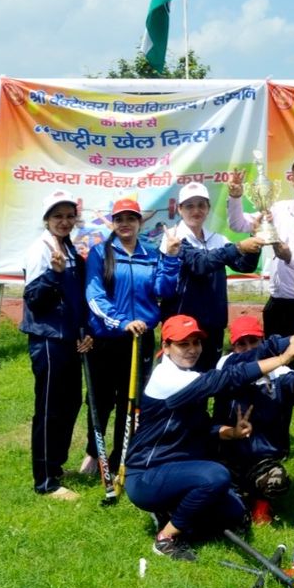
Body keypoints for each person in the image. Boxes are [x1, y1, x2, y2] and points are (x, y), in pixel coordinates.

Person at [123, 314, 294, 561]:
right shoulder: (168, 378)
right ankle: (166, 538)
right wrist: (284, 355)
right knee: (216, 475)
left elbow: (202, 426)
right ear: (165, 347)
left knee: (235, 515)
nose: (192, 350)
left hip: (178, 469)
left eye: (196, 342)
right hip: (147, 476)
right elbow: (227, 377)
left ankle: (171, 512)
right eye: (183, 344)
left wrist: (230, 432)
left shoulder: (187, 373)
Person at [227, 156, 294, 449]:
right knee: (275, 373)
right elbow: (238, 224)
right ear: (292, 179)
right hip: (278, 304)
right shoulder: (275, 209)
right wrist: (235, 197)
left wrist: (290, 257)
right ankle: (277, 440)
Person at [80, 198, 182, 475]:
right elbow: (94, 296)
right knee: (100, 400)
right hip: (107, 338)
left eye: (131, 219)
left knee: (132, 400)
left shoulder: (151, 254)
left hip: (140, 340)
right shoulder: (100, 253)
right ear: (113, 223)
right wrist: (122, 322)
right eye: (120, 219)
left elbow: (164, 290)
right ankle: (94, 452)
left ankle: (120, 457)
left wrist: (171, 258)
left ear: (140, 223)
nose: (125, 224)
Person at [20, 190, 94, 501]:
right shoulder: (40, 250)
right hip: (48, 340)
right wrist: (55, 274)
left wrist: (85, 330)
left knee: (70, 403)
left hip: (70, 339)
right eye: (57, 216)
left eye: (68, 216)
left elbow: (75, 297)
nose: (64, 221)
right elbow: (35, 301)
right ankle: (45, 481)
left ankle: (57, 466)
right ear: (47, 220)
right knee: (50, 409)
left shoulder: (68, 248)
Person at [212, 317, 294, 524]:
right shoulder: (226, 365)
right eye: (241, 344)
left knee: (276, 480)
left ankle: (261, 504)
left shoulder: (281, 373)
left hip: (263, 458)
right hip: (225, 458)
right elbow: (247, 362)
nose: (248, 347)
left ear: (262, 341)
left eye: (254, 341)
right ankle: (239, 498)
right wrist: (287, 343)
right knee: (221, 505)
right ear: (232, 347)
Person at [160, 182, 264, 372]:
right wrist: (239, 247)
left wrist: (254, 239)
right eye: (190, 206)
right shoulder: (174, 237)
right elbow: (200, 264)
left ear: (208, 208)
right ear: (180, 209)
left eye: (201, 205)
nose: (196, 210)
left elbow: (245, 265)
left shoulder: (217, 238)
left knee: (209, 379)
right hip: (183, 328)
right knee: (183, 387)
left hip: (213, 326)